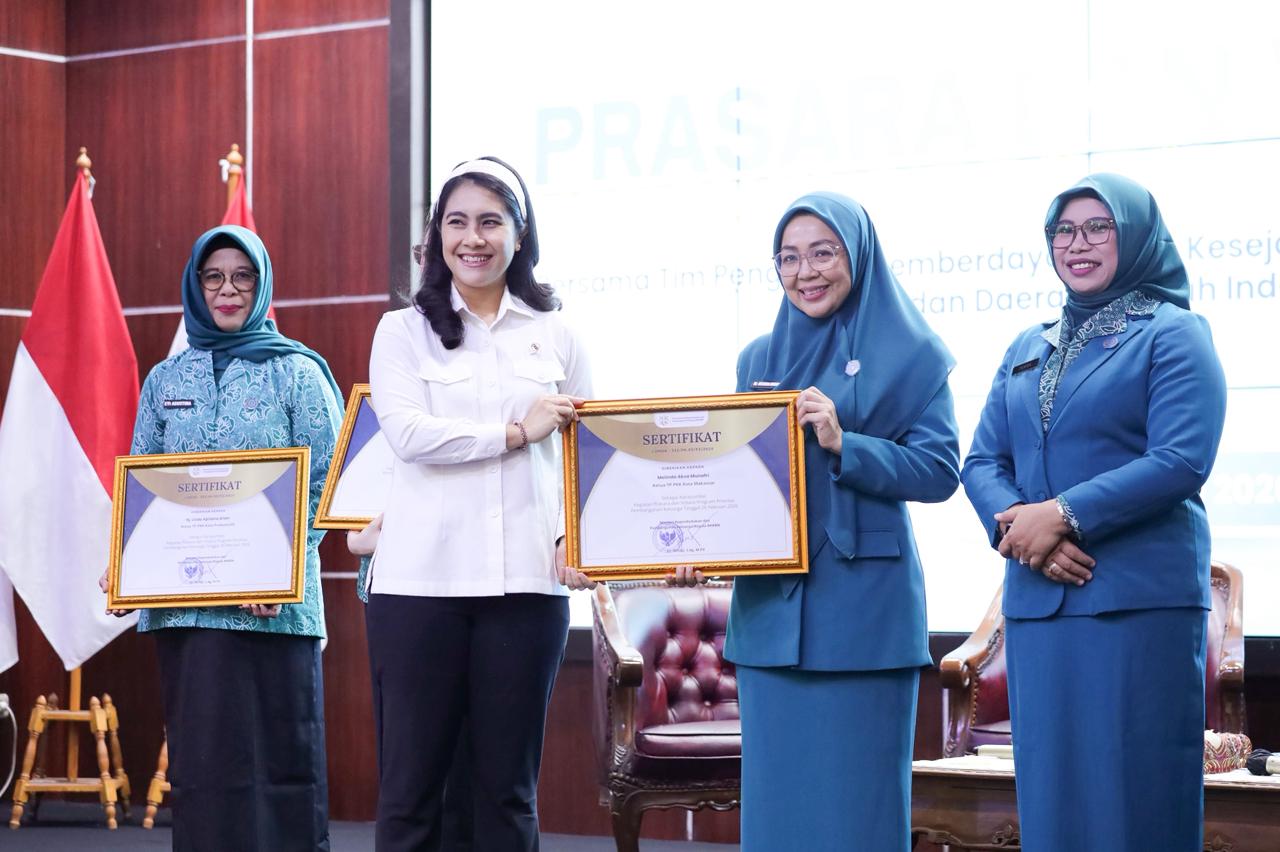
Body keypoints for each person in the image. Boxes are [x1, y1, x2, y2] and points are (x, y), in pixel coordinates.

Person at [676, 192, 959, 850]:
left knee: (859, 812)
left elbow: (939, 470)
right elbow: (740, 481)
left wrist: (844, 442)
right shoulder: (757, 359)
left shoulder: (915, 353)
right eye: (789, 257)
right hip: (771, 620)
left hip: (864, 617)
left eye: (823, 253)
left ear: (858, 255)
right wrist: (700, 547)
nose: (805, 272)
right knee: (779, 816)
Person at [961, 173, 1227, 850]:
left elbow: (1181, 459)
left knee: (1135, 798)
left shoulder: (1174, 333)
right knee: (1055, 801)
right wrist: (1028, 532)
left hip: (1135, 604)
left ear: (1134, 237)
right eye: (1064, 231)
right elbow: (982, 462)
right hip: (1039, 605)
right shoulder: (1028, 346)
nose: (1078, 244)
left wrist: (1063, 514)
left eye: (1098, 228)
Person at [365, 156, 593, 851]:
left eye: (491, 222)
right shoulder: (401, 330)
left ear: (519, 236)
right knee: (410, 795)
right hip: (419, 587)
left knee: (508, 795)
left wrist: (574, 537)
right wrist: (516, 433)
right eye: (457, 222)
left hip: (525, 587)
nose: (473, 238)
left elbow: (585, 459)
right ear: (437, 234)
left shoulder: (557, 333)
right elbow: (409, 436)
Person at [121, 224, 343, 851]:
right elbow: (146, 483)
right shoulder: (165, 380)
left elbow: (330, 481)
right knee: (204, 775)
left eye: (243, 276)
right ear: (196, 285)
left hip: (275, 612)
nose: (227, 290)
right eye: (213, 277)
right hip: (188, 612)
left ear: (261, 284)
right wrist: (128, 560)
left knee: (281, 772)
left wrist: (281, 569)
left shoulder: (297, 372)